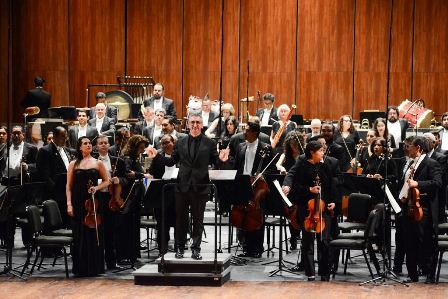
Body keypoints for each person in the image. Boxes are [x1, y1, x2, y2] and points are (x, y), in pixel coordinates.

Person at [147, 113, 229, 260]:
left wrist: (223, 160)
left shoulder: (209, 143)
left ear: (202, 124)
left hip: (200, 187)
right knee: (181, 220)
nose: (195, 125)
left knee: (198, 221)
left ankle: (196, 249)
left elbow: (216, 161)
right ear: (188, 124)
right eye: (192, 122)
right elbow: (172, 161)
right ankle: (179, 248)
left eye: (198, 122)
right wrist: (157, 157)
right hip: (182, 186)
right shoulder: (181, 141)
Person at [282, 141, 338, 281]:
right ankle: (310, 272)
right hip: (306, 208)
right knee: (307, 242)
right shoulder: (302, 165)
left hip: (323, 207)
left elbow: (332, 186)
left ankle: (324, 272)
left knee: (324, 241)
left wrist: (333, 202)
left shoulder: (325, 166)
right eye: (320, 151)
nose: (323, 153)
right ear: (312, 152)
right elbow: (295, 185)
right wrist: (309, 189)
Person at [398, 136, 442, 283]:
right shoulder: (410, 163)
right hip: (408, 207)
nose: (406, 148)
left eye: (409, 146)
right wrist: (403, 195)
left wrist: (418, 183)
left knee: (425, 242)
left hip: (423, 208)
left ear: (418, 148)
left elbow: (437, 183)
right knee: (408, 241)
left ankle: (428, 273)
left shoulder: (431, 163)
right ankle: (412, 275)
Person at [66, 136, 110, 277]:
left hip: (93, 203)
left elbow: (107, 181)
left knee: (93, 234)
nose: (88, 145)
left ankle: (94, 267)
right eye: (85, 143)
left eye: (90, 143)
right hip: (78, 203)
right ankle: (80, 268)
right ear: (80, 147)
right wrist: (69, 204)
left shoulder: (98, 163)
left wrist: (96, 188)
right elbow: (69, 186)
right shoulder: (74, 163)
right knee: (79, 235)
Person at [230, 121, 272, 258]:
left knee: (257, 217)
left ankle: (257, 248)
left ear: (255, 133)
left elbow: (270, 168)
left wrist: (262, 175)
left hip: (258, 186)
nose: (244, 133)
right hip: (243, 183)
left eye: (247, 130)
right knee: (243, 215)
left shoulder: (265, 147)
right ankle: (246, 247)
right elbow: (237, 166)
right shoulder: (241, 146)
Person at [118, 135, 152, 263]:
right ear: (134, 147)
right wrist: (143, 174)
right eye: (141, 148)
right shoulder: (127, 158)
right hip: (129, 195)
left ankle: (133, 253)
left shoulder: (135, 158)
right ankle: (127, 254)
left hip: (136, 195)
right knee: (128, 224)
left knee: (134, 224)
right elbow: (128, 173)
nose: (143, 150)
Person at [95, 135, 128, 270]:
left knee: (111, 232)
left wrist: (118, 180)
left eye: (106, 143)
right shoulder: (92, 161)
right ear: (97, 146)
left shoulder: (117, 161)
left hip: (112, 199)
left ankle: (111, 262)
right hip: (97, 199)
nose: (103, 145)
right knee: (98, 232)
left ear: (109, 145)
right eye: (101, 143)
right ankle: (97, 263)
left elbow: (125, 179)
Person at [37, 126, 75, 228]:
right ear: (54, 137)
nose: (65, 139)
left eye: (65, 137)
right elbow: (44, 176)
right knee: (54, 224)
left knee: (67, 222)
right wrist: (55, 191)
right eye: (62, 137)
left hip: (67, 192)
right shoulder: (45, 151)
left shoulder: (67, 150)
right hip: (54, 195)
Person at [148, 134, 178, 255]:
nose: (165, 145)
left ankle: (178, 248)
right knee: (162, 224)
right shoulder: (158, 156)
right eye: (163, 143)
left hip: (177, 193)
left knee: (178, 222)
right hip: (162, 194)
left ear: (173, 142)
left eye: (167, 142)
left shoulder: (179, 154)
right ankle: (162, 250)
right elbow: (152, 172)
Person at [275, 131, 305, 250]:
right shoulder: (285, 155)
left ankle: (302, 235)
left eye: (295, 144)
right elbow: (277, 165)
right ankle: (293, 237)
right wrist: (282, 168)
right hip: (289, 187)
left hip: (301, 187)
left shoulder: (304, 154)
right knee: (291, 212)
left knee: (301, 211)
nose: (293, 147)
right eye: (291, 145)